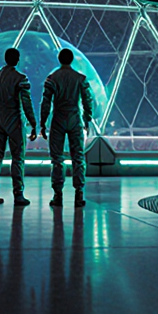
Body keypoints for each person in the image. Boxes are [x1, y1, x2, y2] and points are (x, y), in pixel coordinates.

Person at [40, 48, 94, 207]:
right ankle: (79, 194)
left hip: (58, 118)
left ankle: (58, 194)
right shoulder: (80, 78)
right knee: (78, 157)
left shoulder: (52, 79)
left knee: (57, 158)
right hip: (74, 118)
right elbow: (87, 101)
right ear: (71, 60)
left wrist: (43, 123)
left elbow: (46, 102)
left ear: (59, 59)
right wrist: (87, 119)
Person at [0, 47, 37, 207]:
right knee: (18, 159)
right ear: (16, 59)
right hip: (15, 121)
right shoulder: (20, 78)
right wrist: (33, 123)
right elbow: (26, 104)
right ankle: (18, 195)